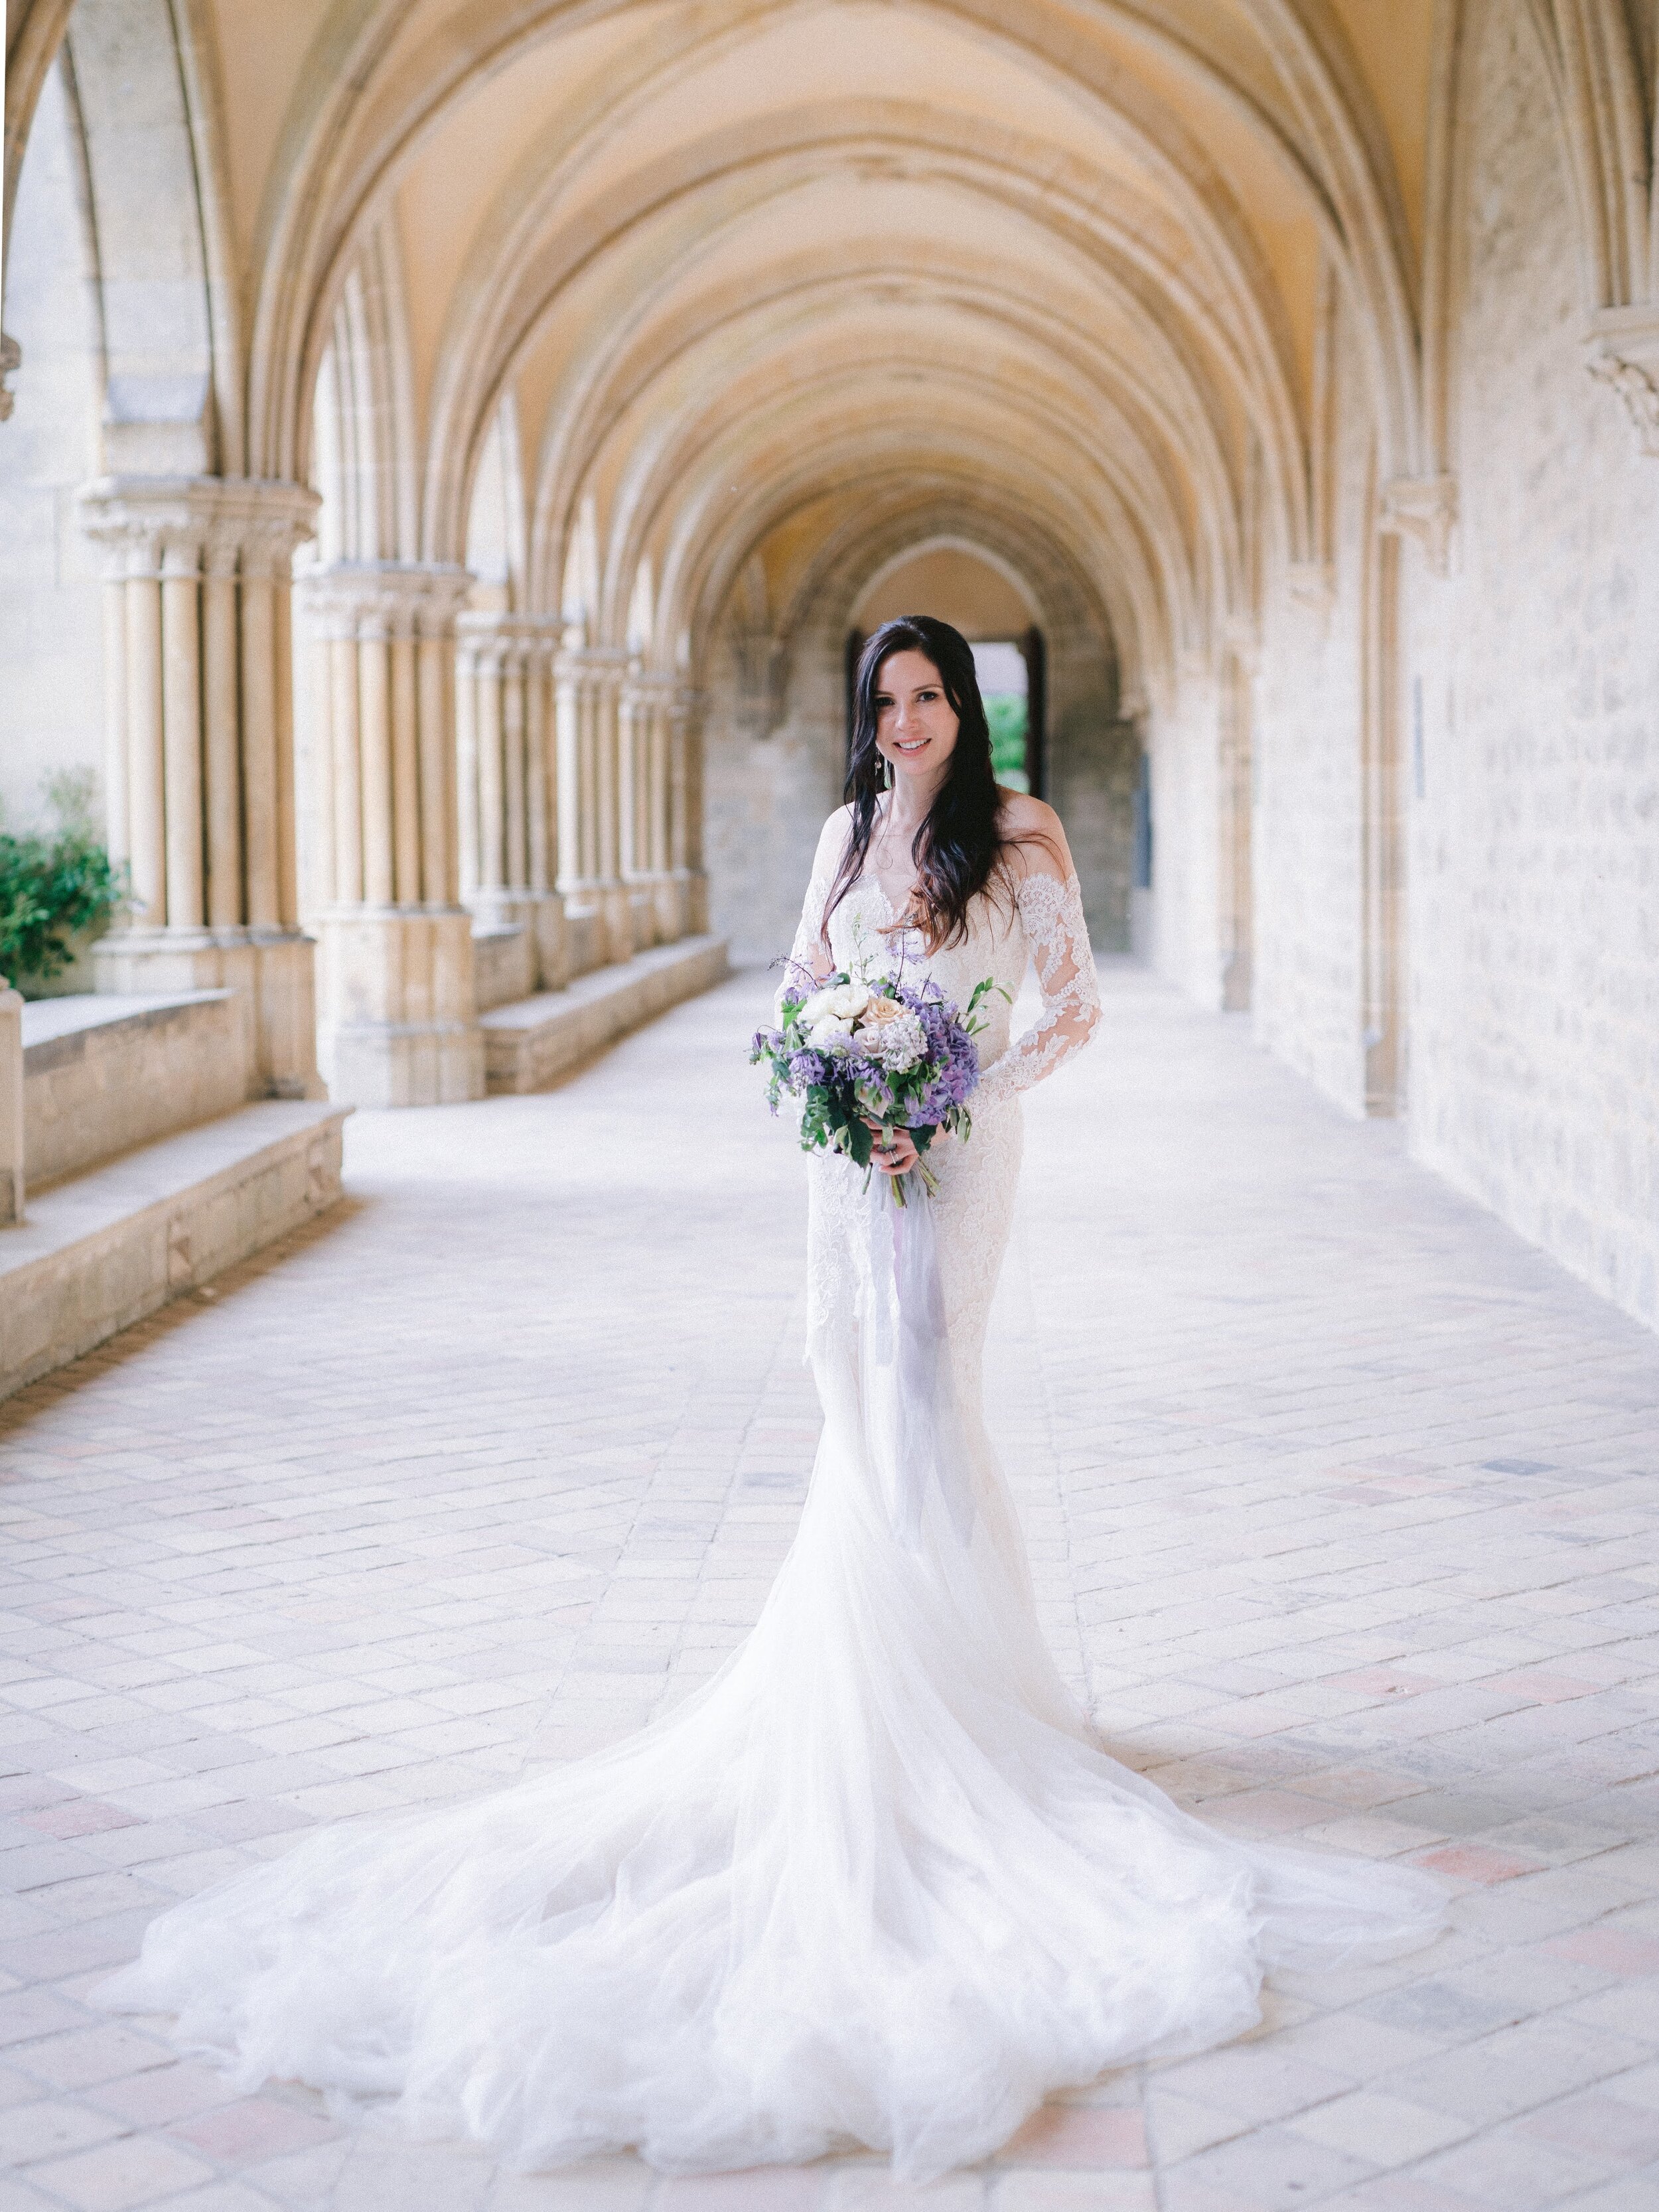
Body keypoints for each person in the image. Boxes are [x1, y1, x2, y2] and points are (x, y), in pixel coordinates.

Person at [94, 614, 1442, 2183]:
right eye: (887, 697)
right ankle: (883, 1672)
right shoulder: (843, 831)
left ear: (968, 707)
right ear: (861, 712)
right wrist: (836, 1068)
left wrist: (942, 1088)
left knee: (934, 1383)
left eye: (932, 694)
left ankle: (966, 1701)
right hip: (844, 1166)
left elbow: (1066, 1008)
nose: (910, 718)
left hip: (953, 1158)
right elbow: (805, 981)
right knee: (851, 1386)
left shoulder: (1017, 833)